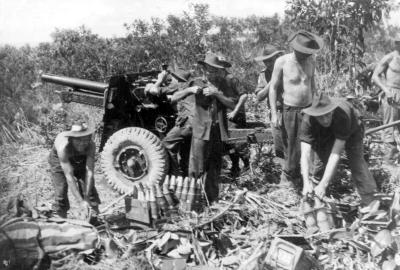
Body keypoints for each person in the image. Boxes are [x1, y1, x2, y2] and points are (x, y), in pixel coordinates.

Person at [300, 94, 377, 205]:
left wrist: (324, 184)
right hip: (323, 131)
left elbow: (335, 153)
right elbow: (305, 154)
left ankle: (371, 201)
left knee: (356, 163)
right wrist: (305, 182)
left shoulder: (342, 116)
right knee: (318, 164)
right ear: (314, 116)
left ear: (332, 111)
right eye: (321, 117)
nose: (325, 120)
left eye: (327, 115)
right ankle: (317, 198)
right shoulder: (308, 121)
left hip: (352, 129)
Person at [269, 30, 323, 187]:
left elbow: (312, 84)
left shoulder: (311, 61)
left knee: (310, 145)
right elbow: (273, 88)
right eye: (302, 52)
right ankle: (289, 181)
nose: (305, 55)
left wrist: (317, 106)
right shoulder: (282, 62)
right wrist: (274, 113)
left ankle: (309, 179)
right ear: (295, 48)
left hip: (309, 109)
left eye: (308, 53)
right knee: (291, 147)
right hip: (291, 110)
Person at [189, 52, 239, 202]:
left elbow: (232, 104)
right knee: (197, 168)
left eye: (217, 70)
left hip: (217, 131)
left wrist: (217, 94)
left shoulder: (223, 85)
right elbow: (182, 96)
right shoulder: (197, 83)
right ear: (204, 69)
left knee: (215, 166)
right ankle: (194, 201)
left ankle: (212, 199)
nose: (214, 74)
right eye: (211, 70)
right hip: (201, 131)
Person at [48, 121, 100, 220]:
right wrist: (80, 202)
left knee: (89, 187)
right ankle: (60, 218)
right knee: (61, 191)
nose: (82, 143)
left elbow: (89, 172)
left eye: (85, 140)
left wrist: (86, 198)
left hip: (81, 158)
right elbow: (69, 177)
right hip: (58, 160)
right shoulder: (63, 148)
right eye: (78, 140)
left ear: (89, 139)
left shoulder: (91, 146)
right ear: (71, 139)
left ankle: (93, 215)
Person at [162, 68, 200, 176]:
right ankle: (186, 176)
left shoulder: (188, 88)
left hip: (189, 124)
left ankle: (173, 173)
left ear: (179, 80)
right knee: (185, 151)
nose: (172, 81)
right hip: (194, 124)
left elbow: (174, 98)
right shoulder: (189, 87)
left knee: (166, 143)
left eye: (173, 79)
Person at [372, 36, 400, 164]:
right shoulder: (390, 58)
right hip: (392, 95)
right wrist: (387, 91)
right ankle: (390, 162)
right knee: (390, 127)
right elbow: (375, 77)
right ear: (396, 44)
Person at [254, 45, 285, 158]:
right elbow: (259, 96)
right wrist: (272, 81)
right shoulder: (263, 74)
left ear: (278, 57)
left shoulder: (289, 69)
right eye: (265, 61)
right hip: (276, 112)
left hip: (293, 110)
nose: (268, 64)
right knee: (280, 147)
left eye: (270, 60)